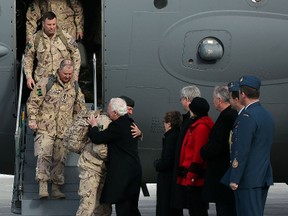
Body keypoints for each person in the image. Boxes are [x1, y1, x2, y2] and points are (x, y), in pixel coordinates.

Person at [26, 59, 86, 199]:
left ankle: (56, 187)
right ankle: (42, 185)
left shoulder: (75, 88)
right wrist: (33, 119)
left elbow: (80, 109)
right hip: (45, 127)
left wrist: (77, 126)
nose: (67, 76)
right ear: (59, 70)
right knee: (44, 154)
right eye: (65, 73)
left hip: (64, 130)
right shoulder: (46, 83)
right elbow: (33, 102)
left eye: (70, 74)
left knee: (60, 159)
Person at [221, 75, 275, 216]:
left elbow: (242, 150)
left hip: (248, 178)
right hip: (262, 175)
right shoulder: (266, 114)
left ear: (243, 94)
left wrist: (235, 177)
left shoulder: (247, 117)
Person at [87, 98, 142, 216]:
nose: (107, 112)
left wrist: (94, 126)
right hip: (134, 172)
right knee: (132, 208)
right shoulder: (130, 122)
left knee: (124, 209)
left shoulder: (117, 126)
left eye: (109, 110)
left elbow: (97, 138)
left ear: (116, 113)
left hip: (123, 176)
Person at [200, 86, 238, 216]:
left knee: (224, 209)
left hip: (222, 172)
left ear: (219, 100)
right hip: (227, 170)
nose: (213, 101)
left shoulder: (227, 117)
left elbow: (219, 144)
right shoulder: (232, 114)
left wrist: (203, 150)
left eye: (214, 99)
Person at [24, 11, 81, 90]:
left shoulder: (65, 37)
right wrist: (29, 77)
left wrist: (75, 74)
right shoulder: (36, 39)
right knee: (36, 100)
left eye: (54, 24)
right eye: (49, 24)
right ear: (43, 24)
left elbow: (76, 54)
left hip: (63, 83)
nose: (52, 27)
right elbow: (28, 58)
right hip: (42, 83)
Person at [177, 97, 214, 216]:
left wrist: (191, 177)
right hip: (192, 175)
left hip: (195, 177)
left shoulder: (201, 128)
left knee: (197, 209)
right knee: (194, 208)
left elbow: (198, 154)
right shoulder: (196, 125)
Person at [171, 85, 201, 215]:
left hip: (192, 171)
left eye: (182, 99)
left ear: (187, 99)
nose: (181, 101)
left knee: (196, 207)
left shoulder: (195, 120)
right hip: (186, 170)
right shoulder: (187, 118)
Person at [154, 111, 182, 216]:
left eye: (164, 122)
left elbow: (167, 161)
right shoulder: (179, 135)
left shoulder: (170, 138)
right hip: (174, 180)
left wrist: (157, 164)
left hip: (167, 180)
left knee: (165, 207)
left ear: (169, 123)